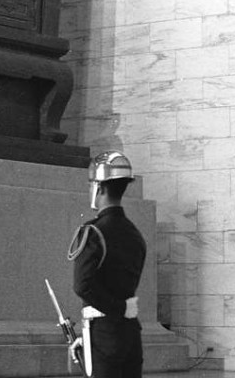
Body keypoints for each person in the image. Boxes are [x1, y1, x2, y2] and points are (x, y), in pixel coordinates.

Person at [68, 151, 147, 378]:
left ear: (99, 188)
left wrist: (115, 311)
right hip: (130, 335)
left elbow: (82, 286)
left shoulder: (94, 232)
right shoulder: (135, 234)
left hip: (103, 336)